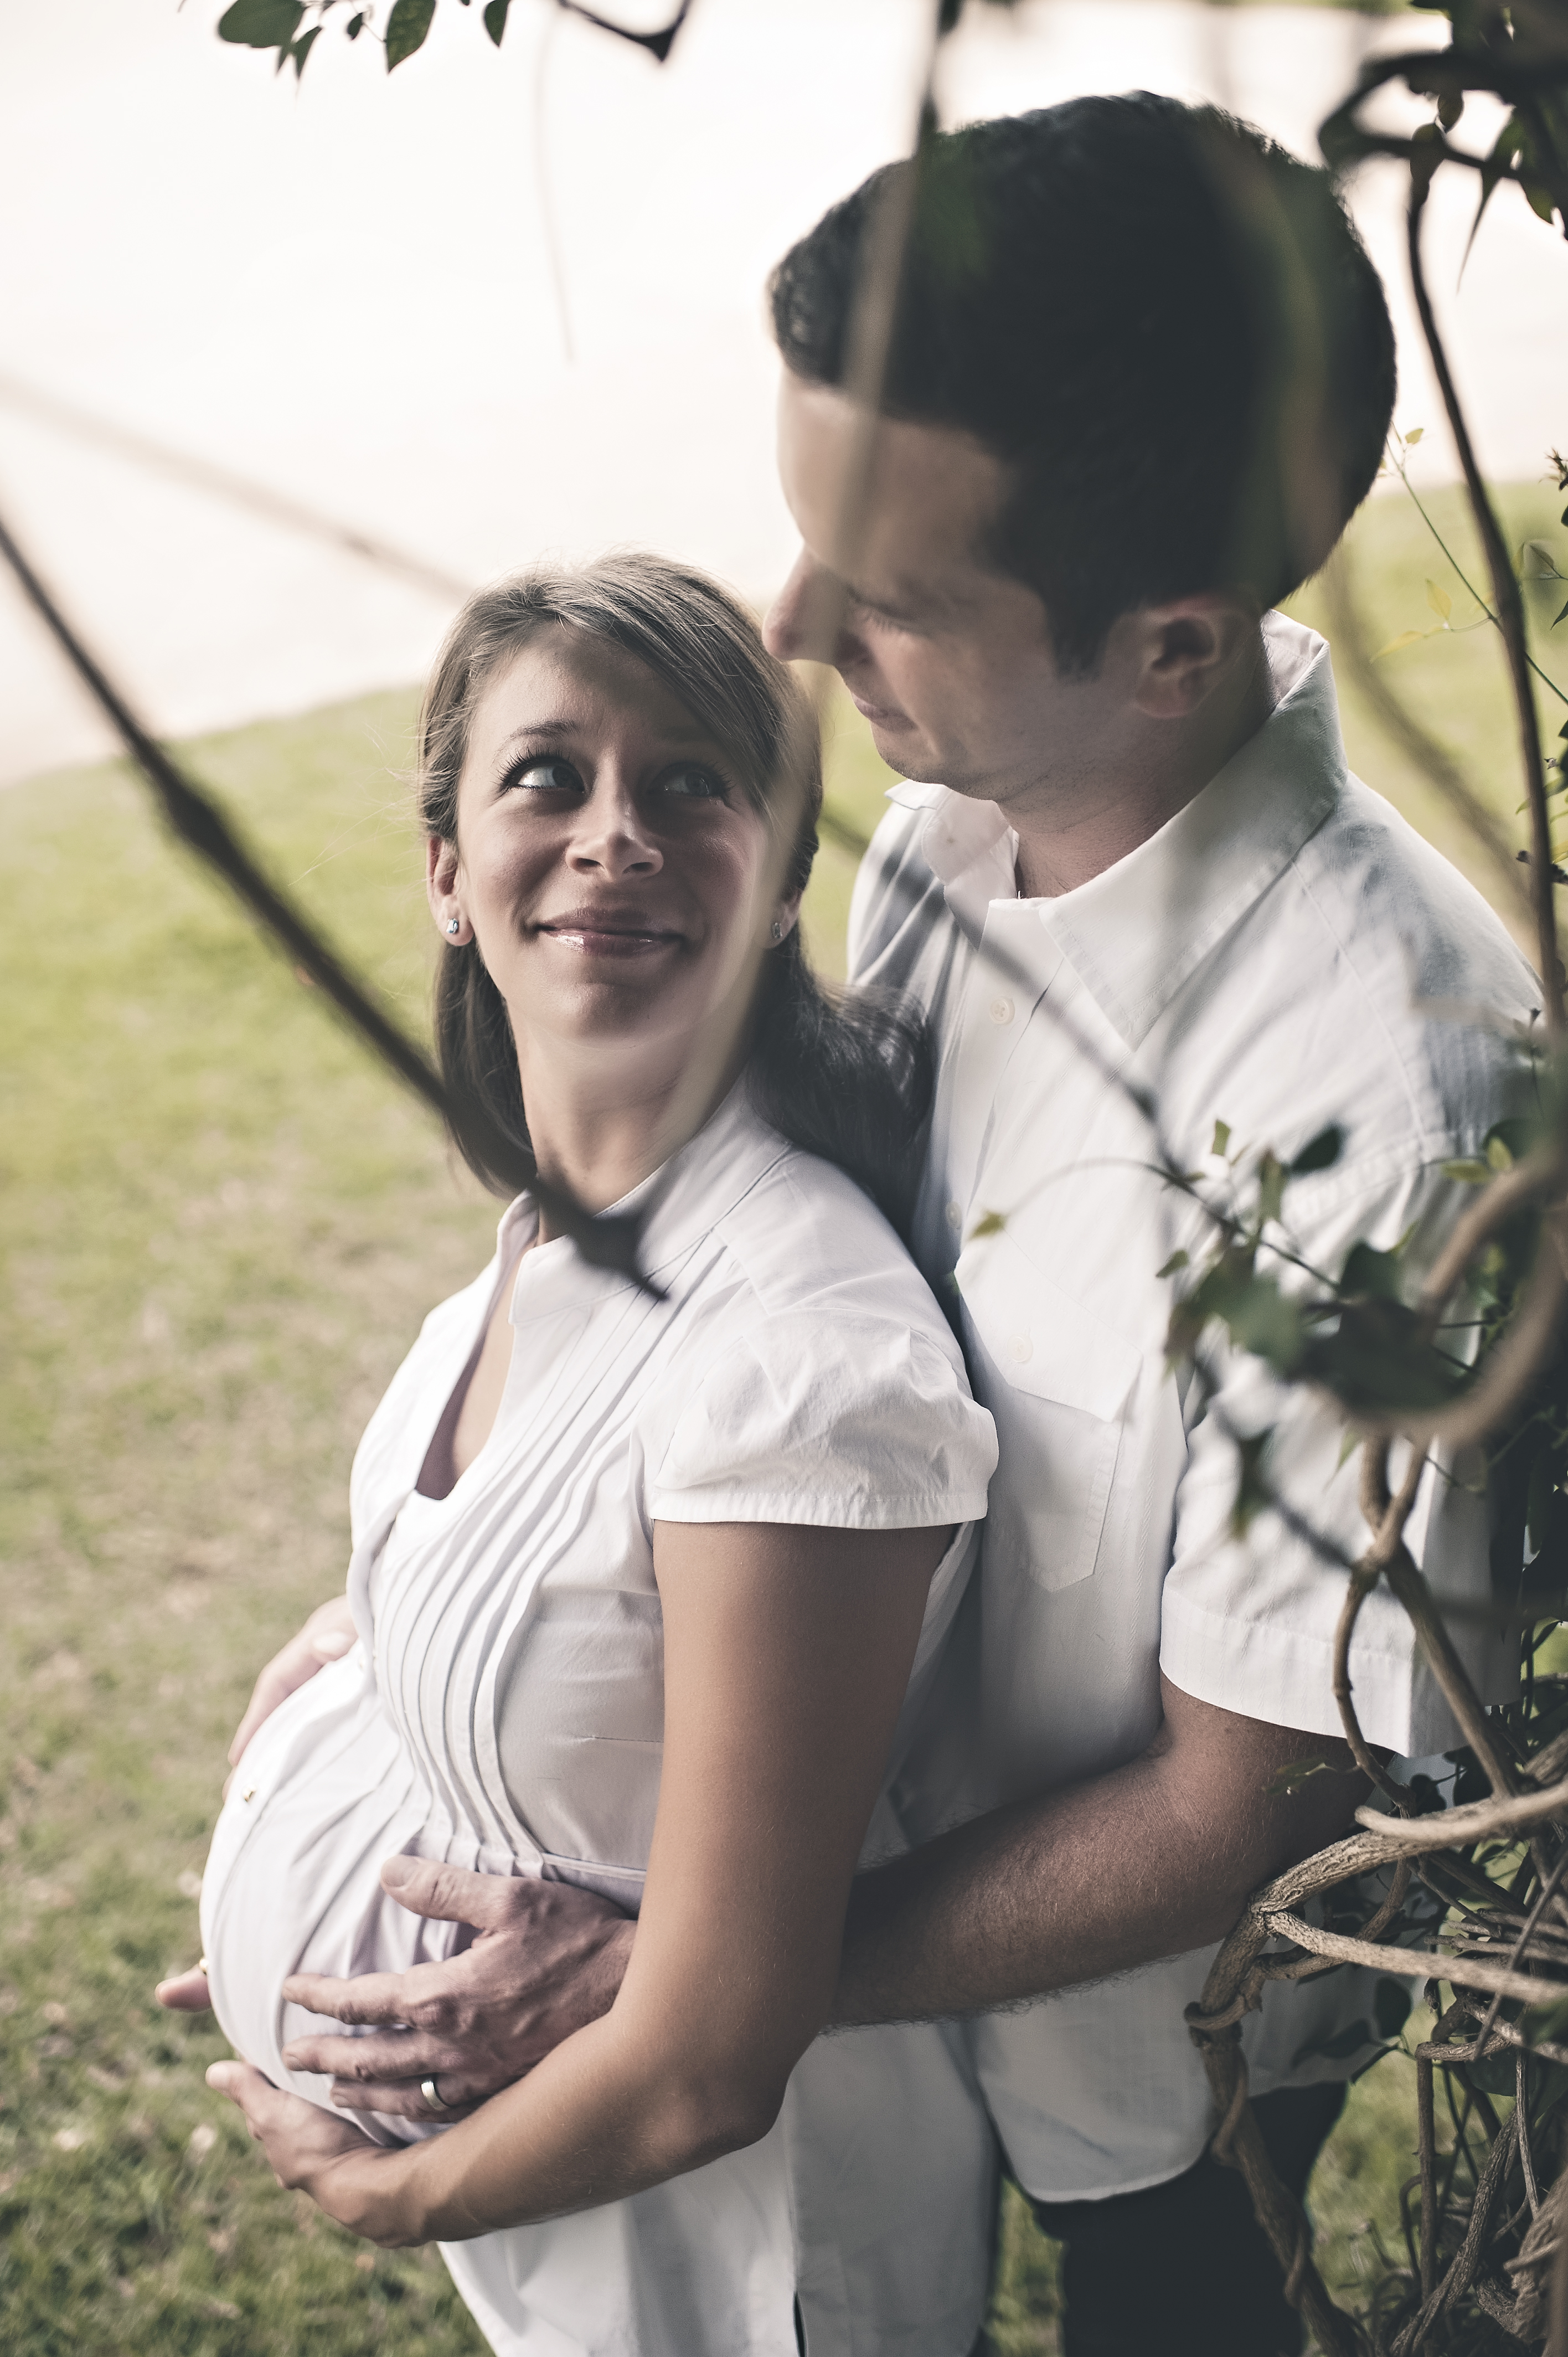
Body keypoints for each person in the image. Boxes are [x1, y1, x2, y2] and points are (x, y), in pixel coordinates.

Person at [172, 96, 1538, 2355]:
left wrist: (704, 1964)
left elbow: (1232, 1801)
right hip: (830, 1975)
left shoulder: (1393, 1108)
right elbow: (710, 1268)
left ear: (1176, 641)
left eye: (886, 593)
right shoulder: (935, 835)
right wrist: (413, 1630)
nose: (791, 626)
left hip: (1142, 2109)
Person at [180, 552, 1002, 2357]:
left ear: (781, 876)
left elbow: (708, 2060)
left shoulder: (800, 1353)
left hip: (728, 2264)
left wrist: (395, 2193)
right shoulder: (566, 1234)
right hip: (578, 2254)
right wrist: (353, 1681)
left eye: (694, 781)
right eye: (547, 775)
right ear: (449, 875)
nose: (615, 831)